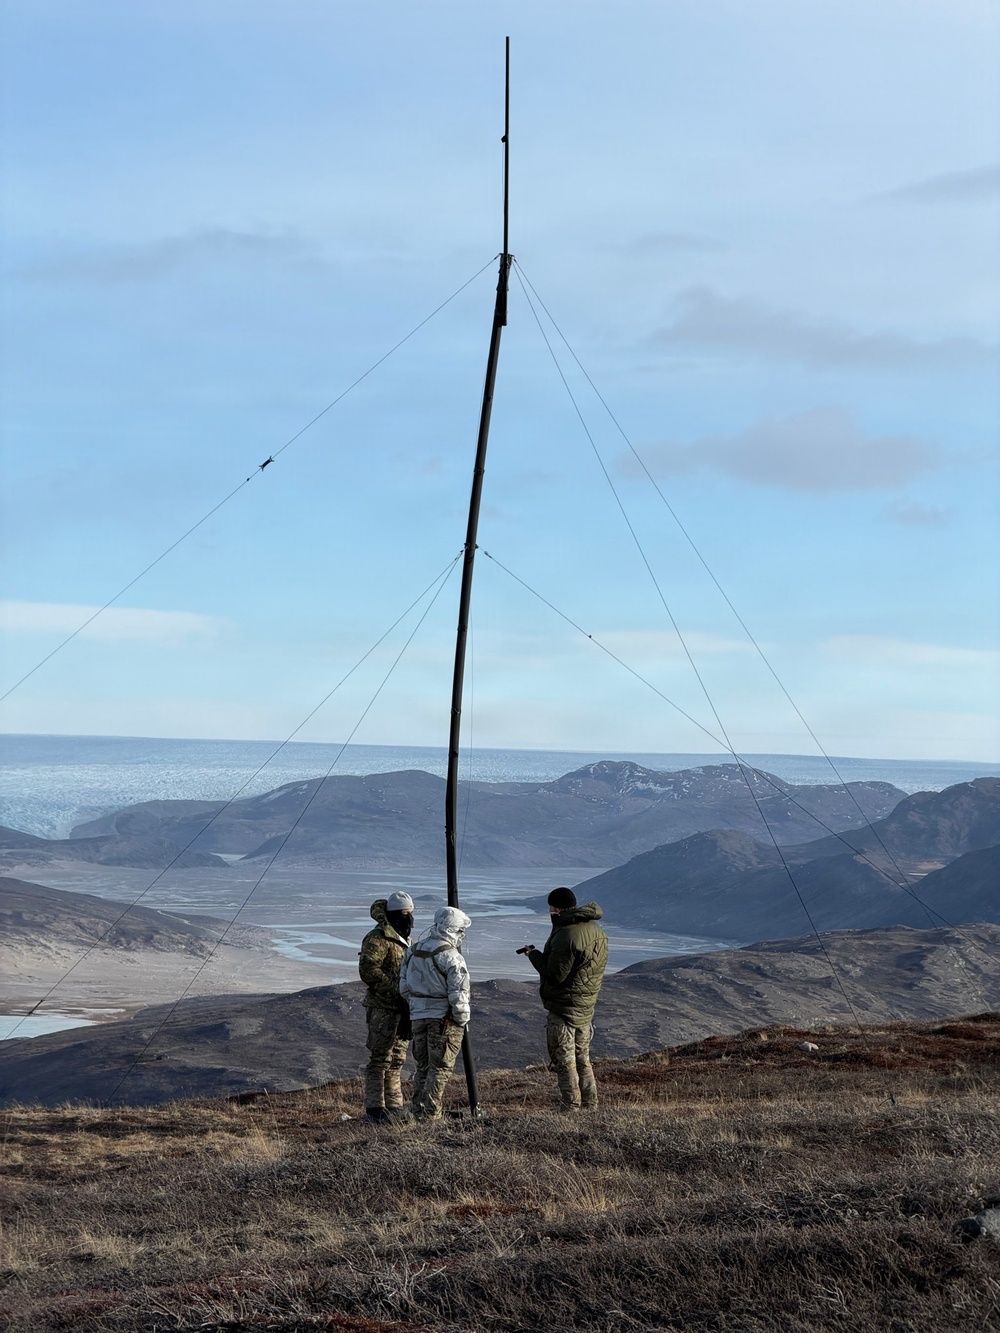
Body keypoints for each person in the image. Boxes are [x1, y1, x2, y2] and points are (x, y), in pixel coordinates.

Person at [521, 887, 608, 1112]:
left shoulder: (567, 934)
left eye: (551, 907)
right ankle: (591, 1105)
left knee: (565, 1062)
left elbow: (555, 974)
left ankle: (571, 1108)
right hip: (585, 1007)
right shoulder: (596, 929)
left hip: (564, 1009)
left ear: (557, 908)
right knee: (583, 1059)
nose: (550, 911)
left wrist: (534, 955)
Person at [399, 906, 472, 1121]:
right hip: (443, 1019)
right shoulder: (452, 958)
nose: (461, 936)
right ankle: (430, 1114)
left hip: (417, 1016)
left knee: (422, 1066)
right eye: (460, 931)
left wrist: (418, 1004)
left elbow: (403, 987)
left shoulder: (412, 951)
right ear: (452, 929)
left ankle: (418, 1110)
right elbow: (459, 994)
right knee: (439, 1068)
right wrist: (461, 1019)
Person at [358, 891, 415, 1124]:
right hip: (383, 1008)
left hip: (402, 1009)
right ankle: (375, 1108)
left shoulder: (403, 938)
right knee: (380, 1059)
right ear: (394, 914)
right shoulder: (378, 938)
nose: (409, 918)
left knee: (397, 1060)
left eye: (411, 914)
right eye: (405, 914)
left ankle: (394, 1107)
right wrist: (396, 990)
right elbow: (369, 971)